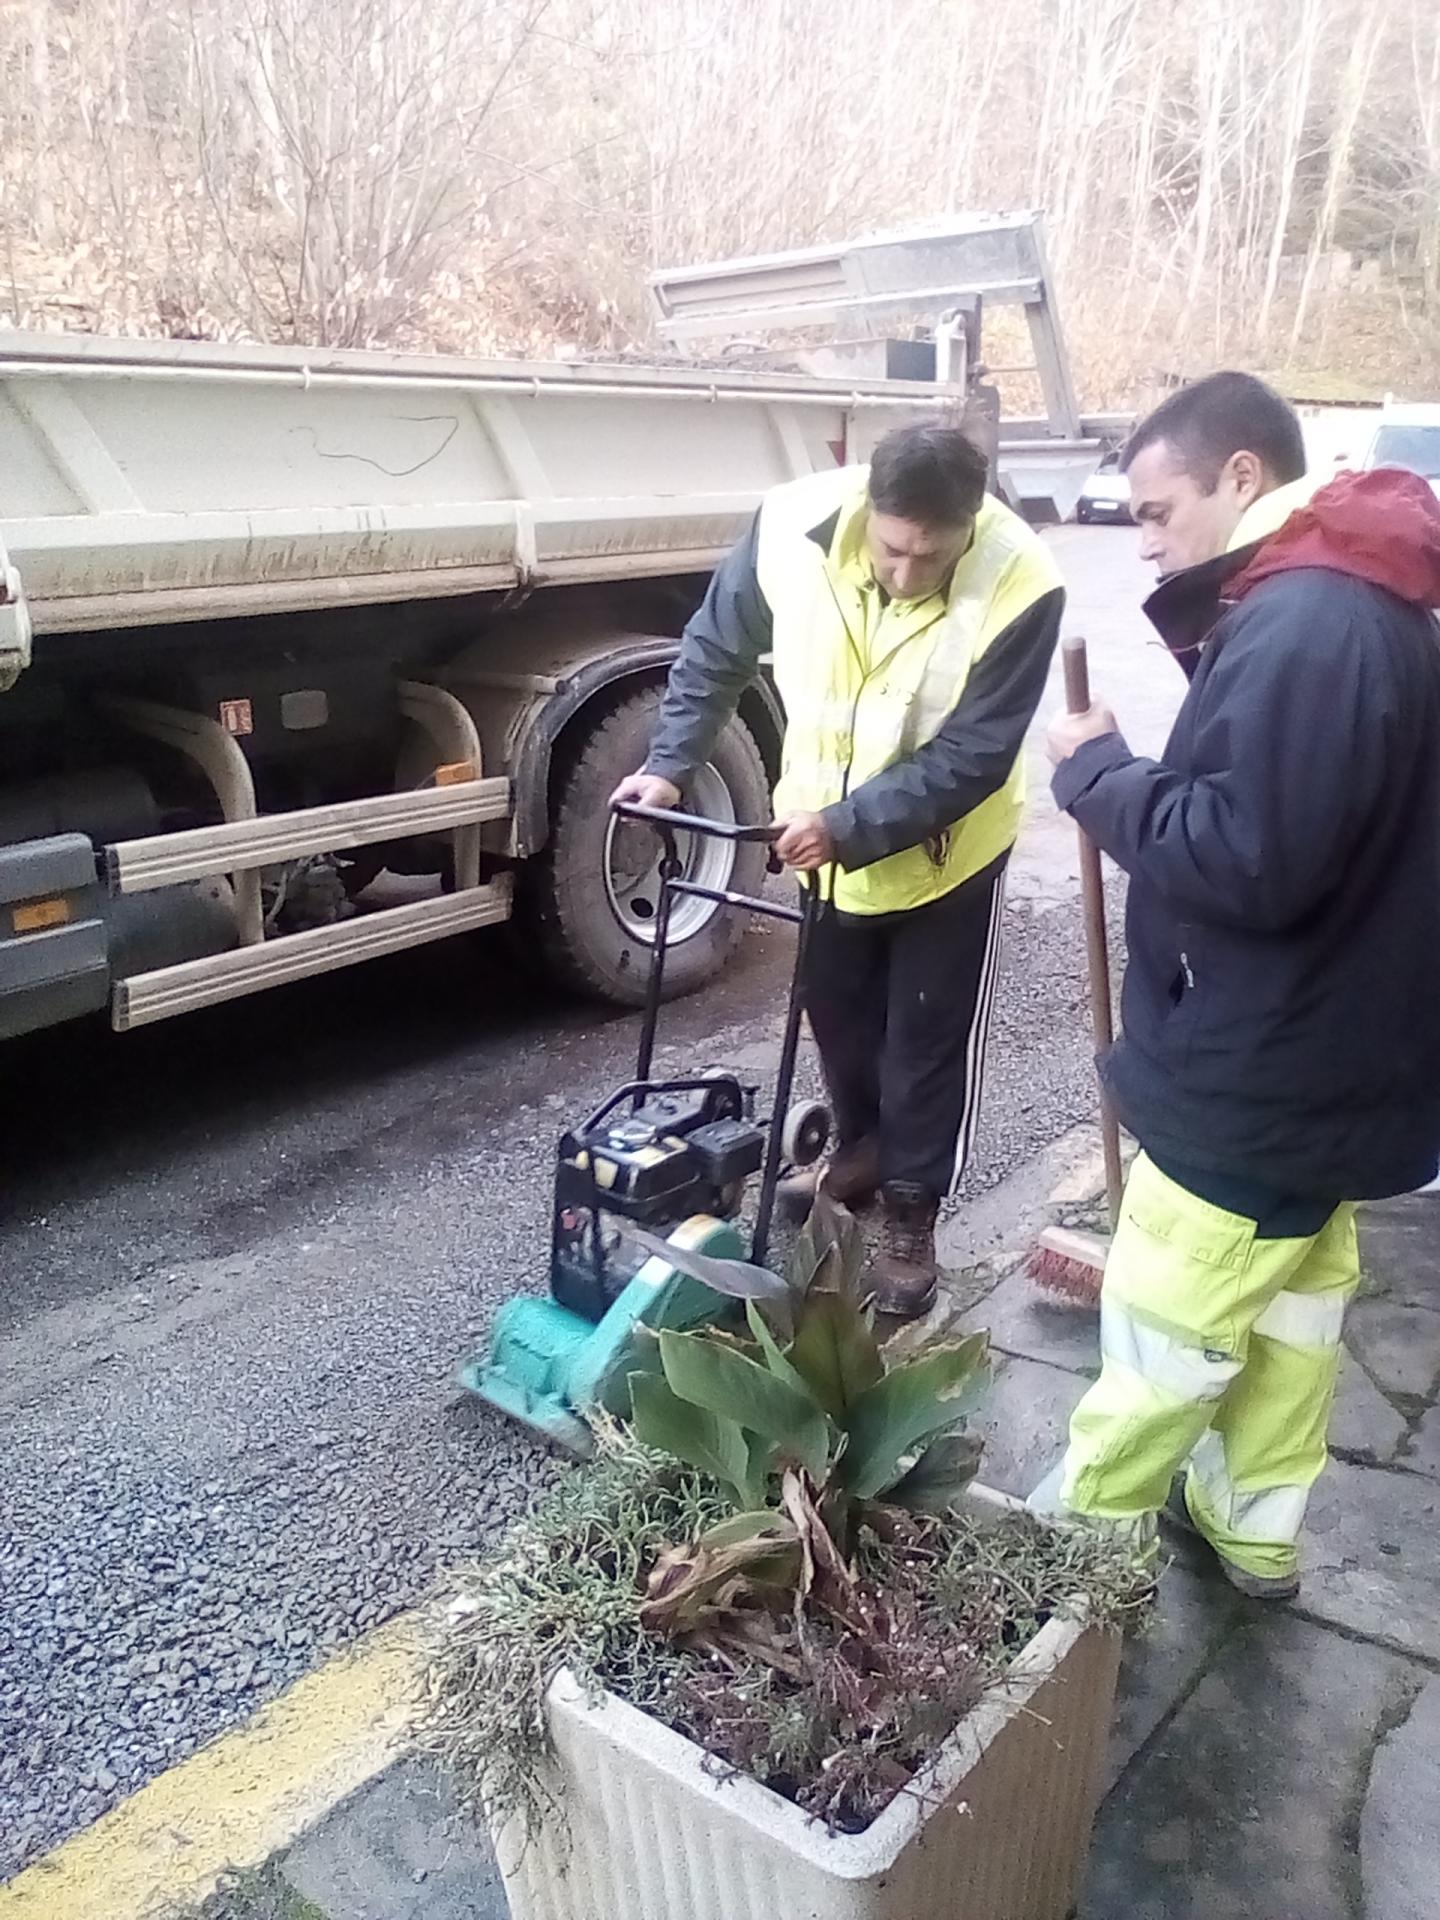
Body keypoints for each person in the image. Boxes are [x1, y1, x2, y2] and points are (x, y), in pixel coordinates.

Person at [1036, 371, 1440, 1598]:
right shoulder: (1354, 598)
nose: (1144, 540)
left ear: (1243, 477)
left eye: (1157, 512)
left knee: (1163, 1331)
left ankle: (1074, 1571)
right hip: (1336, 1059)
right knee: (1295, 1321)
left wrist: (1098, 772)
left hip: (1266, 1069)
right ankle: (1252, 1526)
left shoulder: (1306, 623)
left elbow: (1242, 856)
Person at [612, 422, 1064, 1315]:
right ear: (869, 510)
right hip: (822, 848)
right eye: (893, 549)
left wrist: (851, 825)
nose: (906, 573)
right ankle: (860, 1151)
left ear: (970, 526)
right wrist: (669, 764)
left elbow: (977, 752)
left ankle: (910, 1212)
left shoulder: (1022, 580)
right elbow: (716, 649)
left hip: (946, 856)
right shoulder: (790, 526)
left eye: (932, 557)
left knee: (925, 1046)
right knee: (841, 1027)